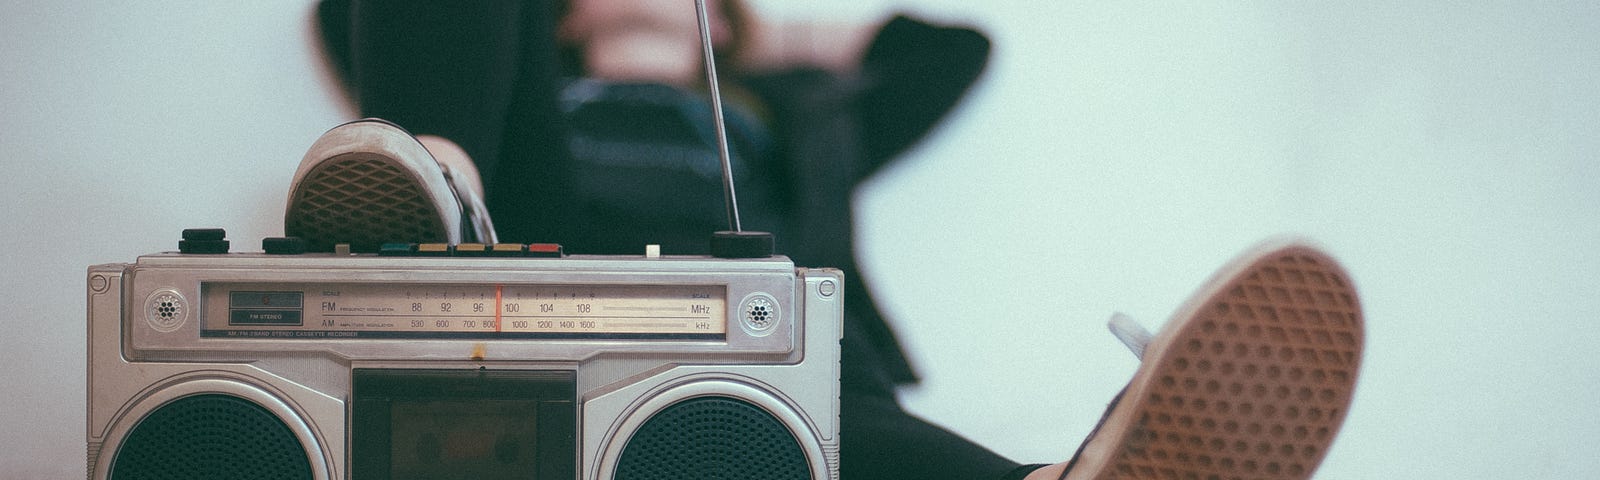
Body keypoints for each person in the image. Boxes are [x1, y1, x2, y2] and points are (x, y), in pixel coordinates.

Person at [290, 2, 1366, 479]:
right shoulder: (530, 80)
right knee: (793, 402)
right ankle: (435, 188)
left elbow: (950, 52)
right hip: (543, 268)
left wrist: (757, 30)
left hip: (765, 322)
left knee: (826, 416)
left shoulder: (795, 111)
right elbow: (355, 12)